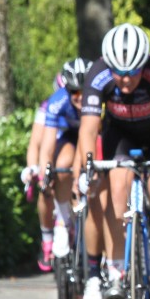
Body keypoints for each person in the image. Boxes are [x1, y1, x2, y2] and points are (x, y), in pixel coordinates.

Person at [76, 23, 150, 299]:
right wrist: (87, 168)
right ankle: (115, 271)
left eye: (133, 73)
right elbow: (88, 130)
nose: (125, 81)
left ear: (143, 65)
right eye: (120, 74)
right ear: (108, 66)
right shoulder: (98, 73)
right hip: (121, 137)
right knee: (116, 192)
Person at [37, 59, 90, 264]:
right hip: (69, 136)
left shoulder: (100, 98)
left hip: (96, 133)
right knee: (61, 165)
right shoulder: (58, 101)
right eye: (75, 92)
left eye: (84, 91)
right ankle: (62, 221)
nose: (81, 97)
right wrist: (45, 173)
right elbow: (47, 145)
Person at [22, 74, 66, 272]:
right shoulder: (48, 106)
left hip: (70, 156)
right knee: (44, 189)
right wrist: (33, 168)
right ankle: (47, 239)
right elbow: (35, 144)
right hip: (49, 156)